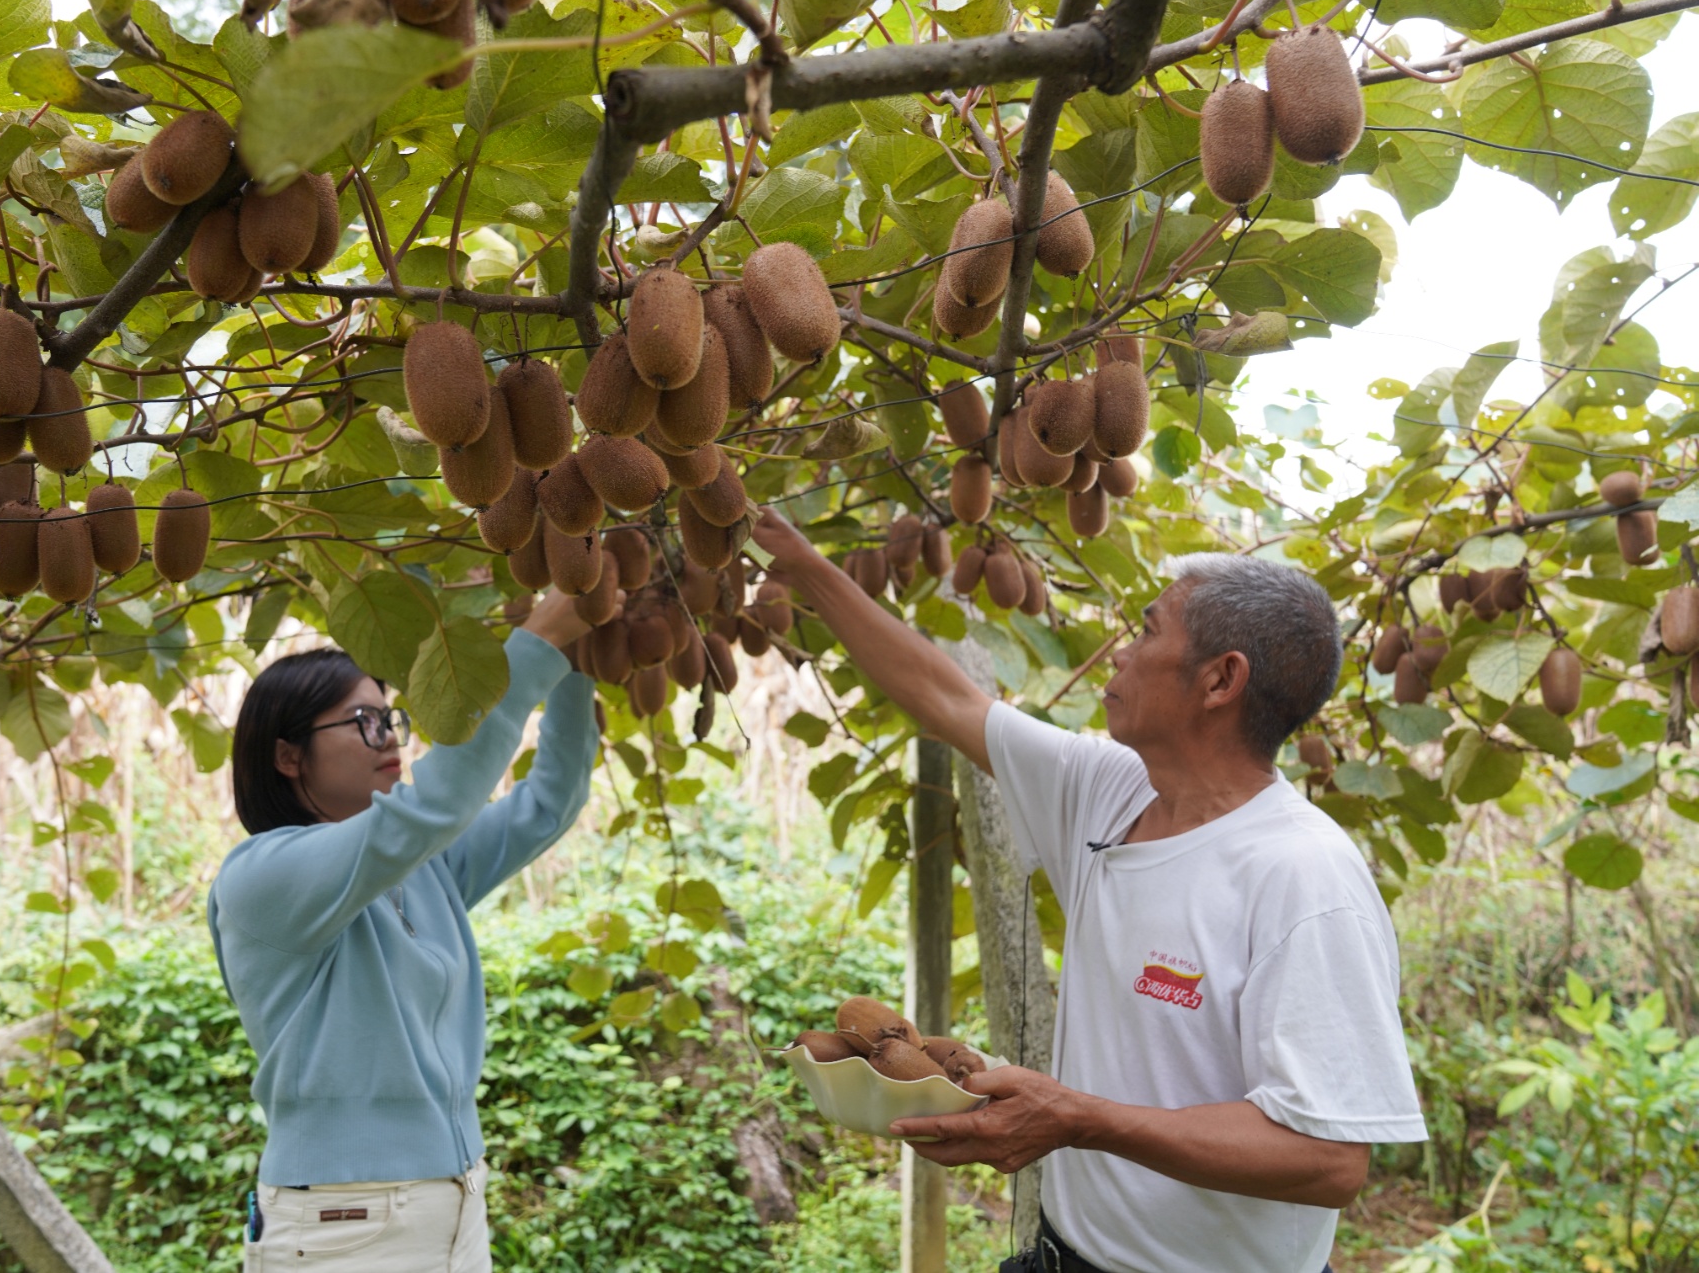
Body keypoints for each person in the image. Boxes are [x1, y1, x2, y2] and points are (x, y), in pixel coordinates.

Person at [751, 507, 1426, 1273]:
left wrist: (1077, 1118)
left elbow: (1330, 1161)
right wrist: (802, 564)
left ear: (1220, 679)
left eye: (1147, 630)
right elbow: (945, 699)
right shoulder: (1112, 790)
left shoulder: (1303, 878)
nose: (1121, 651)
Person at [213, 593, 596, 1271]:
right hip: (342, 1223)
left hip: (452, 1204)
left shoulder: (421, 868)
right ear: (287, 755)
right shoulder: (260, 877)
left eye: (389, 717)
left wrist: (573, 665)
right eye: (362, 721)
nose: (388, 735)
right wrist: (533, 645)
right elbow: (438, 802)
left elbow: (546, 806)